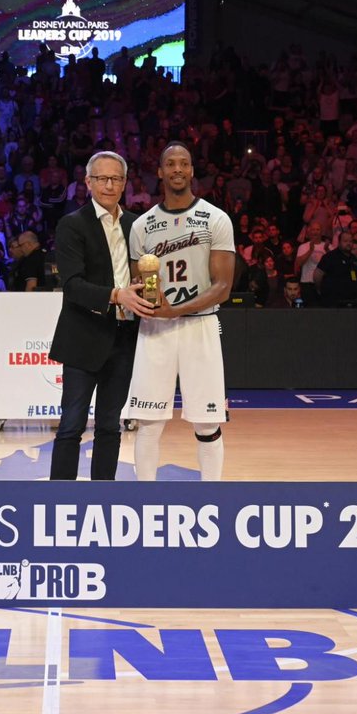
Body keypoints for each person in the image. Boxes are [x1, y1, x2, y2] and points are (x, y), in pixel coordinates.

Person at [124, 142, 235, 482]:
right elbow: (136, 282)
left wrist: (176, 311)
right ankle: (145, 499)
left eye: (183, 164)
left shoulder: (216, 218)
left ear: (191, 170)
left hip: (199, 326)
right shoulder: (142, 226)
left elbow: (223, 287)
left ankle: (211, 497)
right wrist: (149, 300)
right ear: (159, 172)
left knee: (207, 421)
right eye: (169, 164)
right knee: (148, 421)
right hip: (155, 328)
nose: (176, 169)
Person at [49, 151, 152, 481]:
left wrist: (148, 290)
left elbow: (146, 273)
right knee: (71, 425)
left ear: (125, 183)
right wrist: (116, 295)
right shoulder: (72, 224)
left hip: (124, 338)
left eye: (116, 178)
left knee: (111, 425)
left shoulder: (136, 224)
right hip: (83, 336)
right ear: (88, 182)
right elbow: (72, 285)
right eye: (102, 178)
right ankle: (58, 500)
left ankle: (103, 498)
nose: (109, 185)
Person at [313, 230, 357, 307]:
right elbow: (317, 275)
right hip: (333, 302)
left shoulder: (355, 258)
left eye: (350, 241)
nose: (348, 243)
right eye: (345, 241)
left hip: (352, 302)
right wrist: (319, 289)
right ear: (339, 242)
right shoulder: (330, 257)